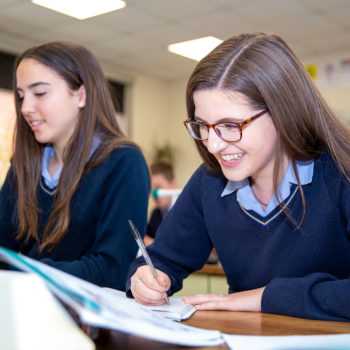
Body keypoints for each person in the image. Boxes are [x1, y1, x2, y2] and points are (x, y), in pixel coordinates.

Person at [127, 33, 350, 321]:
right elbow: (162, 258)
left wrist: (265, 297)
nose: (213, 145)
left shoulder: (340, 172)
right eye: (203, 126)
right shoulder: (209, 180)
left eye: (231, 125)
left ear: (282, 112)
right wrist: (143, 278)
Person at [0, 41, 150, 289]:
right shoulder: (24, 165)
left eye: (39, 93)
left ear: (81, 95)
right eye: (21, 96)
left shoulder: (123, 161)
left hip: (85, 318)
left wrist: (27, 271)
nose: (26, 108)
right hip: (23, 306)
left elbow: (112, 269)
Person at [144, 161, 177, 246]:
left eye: (158, 187)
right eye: (151, 188)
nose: (154, 194)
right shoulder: (156, 214)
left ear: (173, 184)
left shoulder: (185, 212)